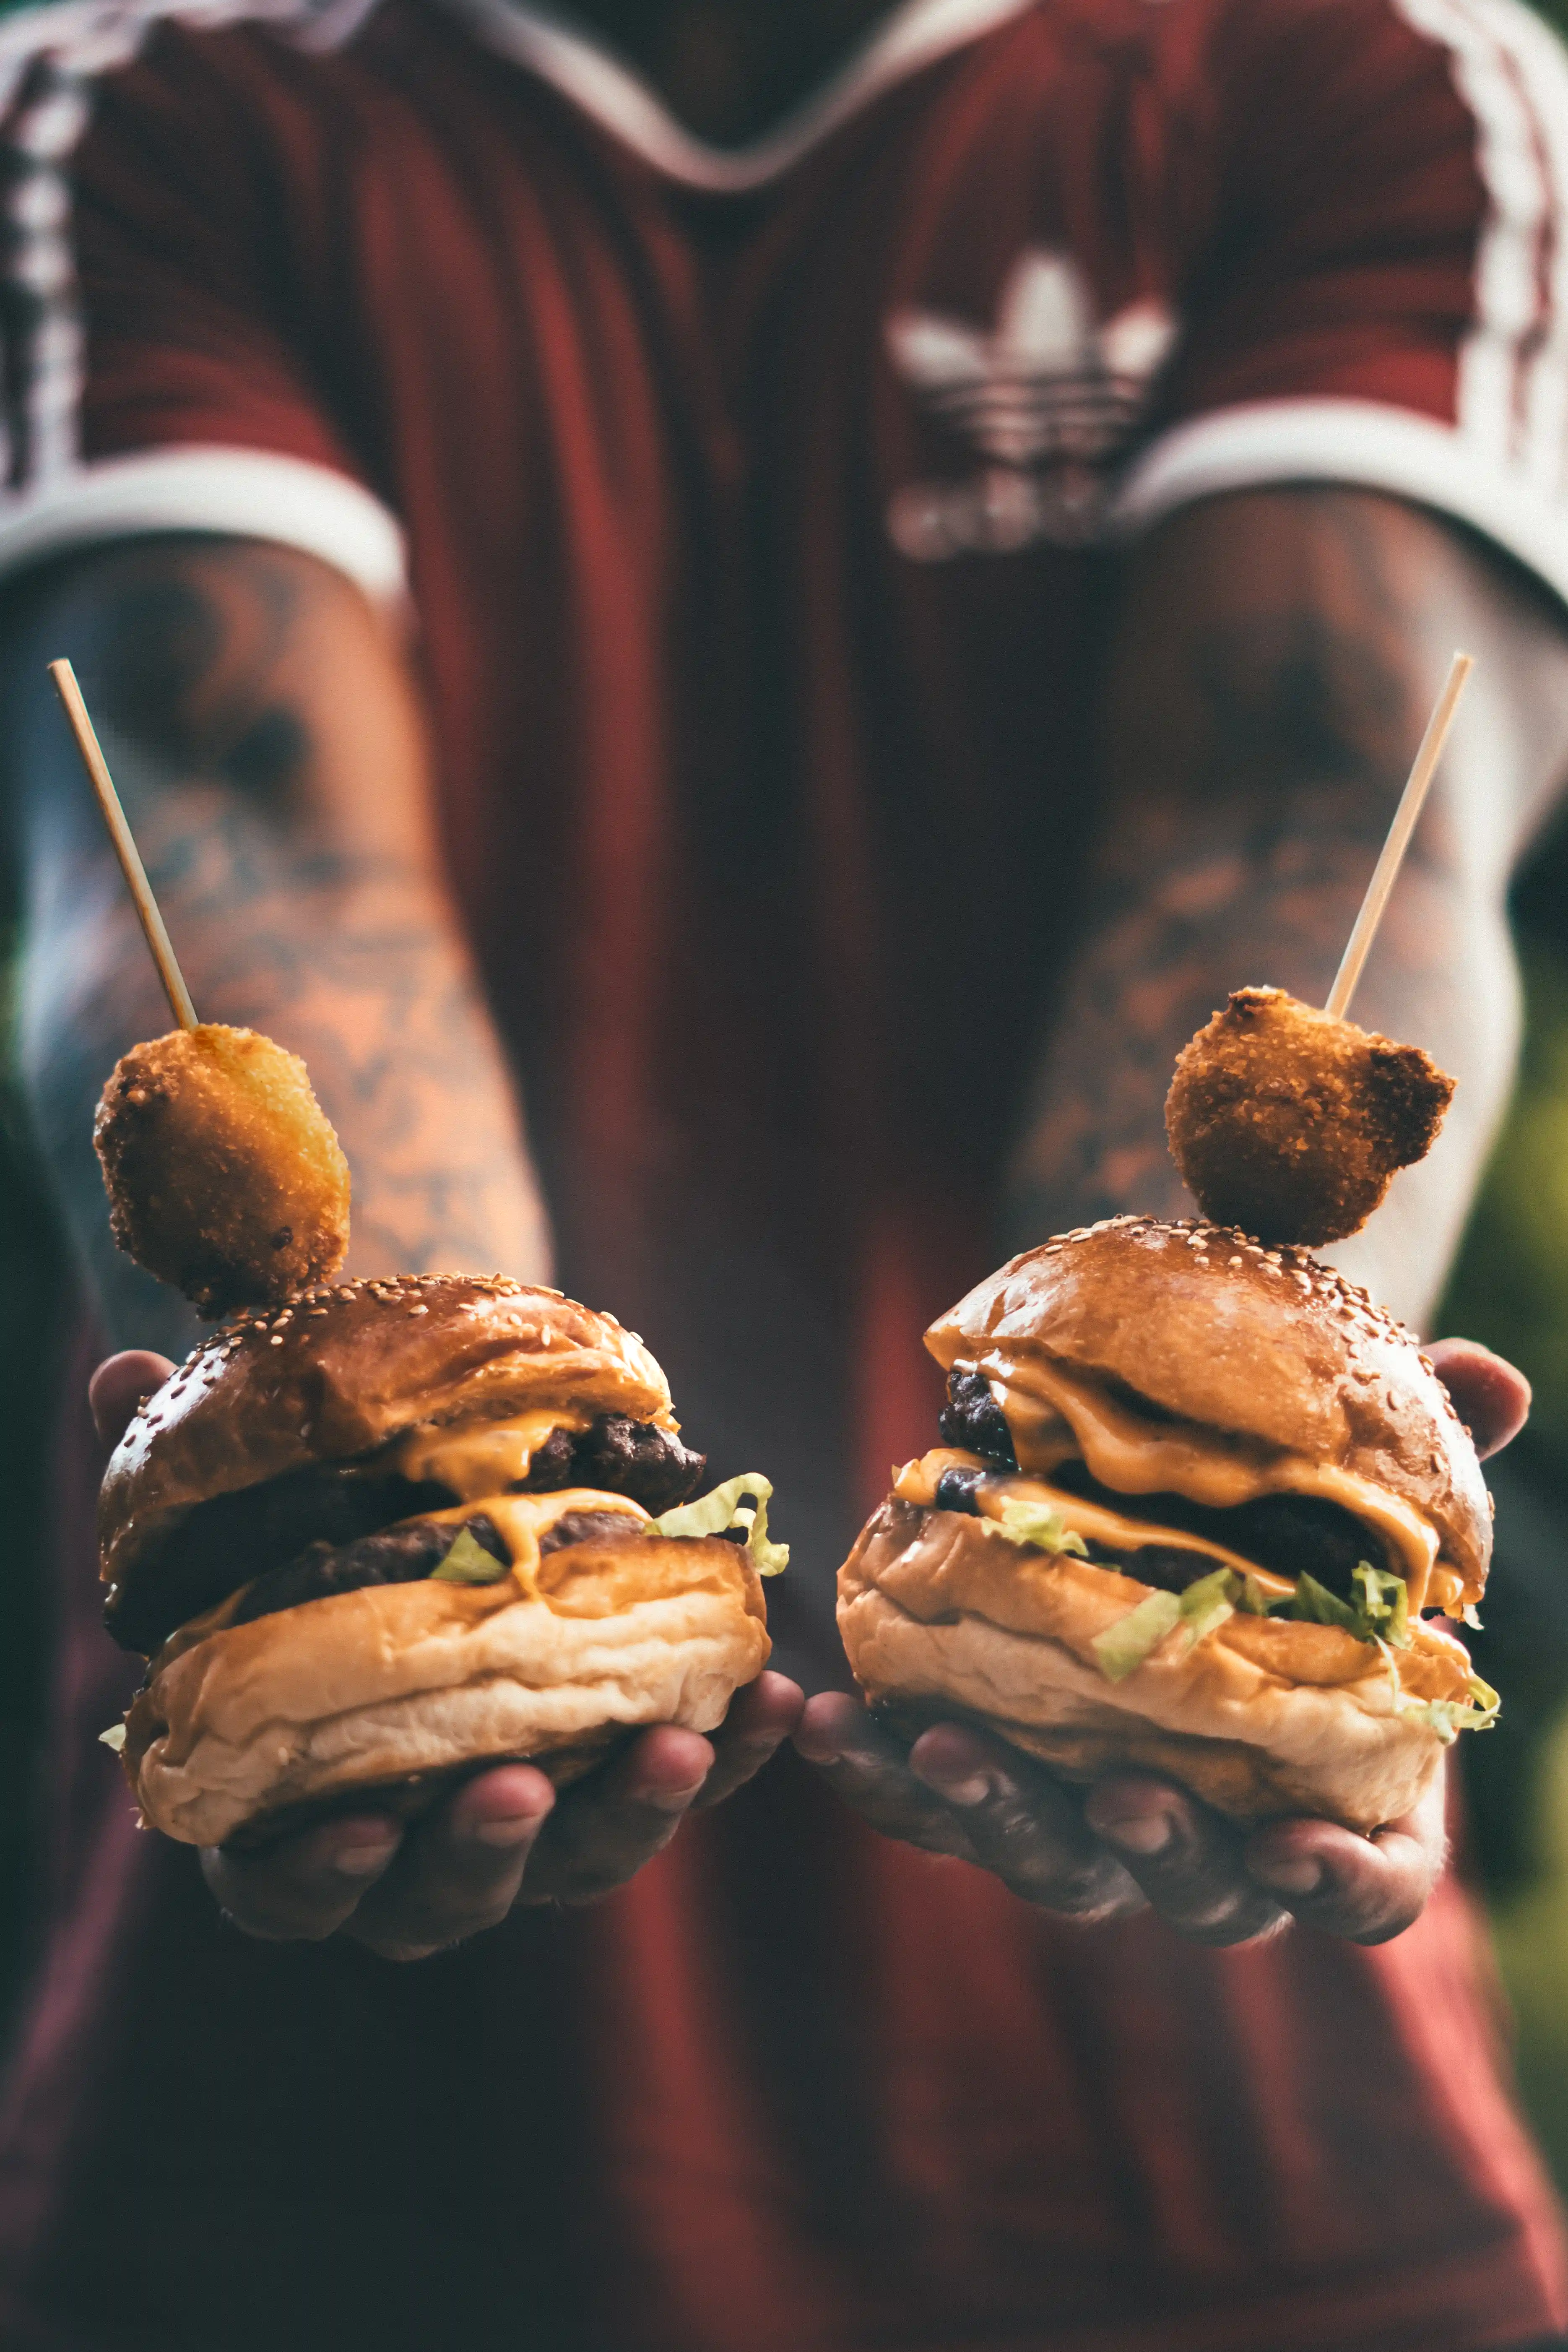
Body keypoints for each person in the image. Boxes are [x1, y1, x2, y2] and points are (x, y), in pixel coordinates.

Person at [1, 0, 1568, 2342]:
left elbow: (1311, 785)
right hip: (308, 2152)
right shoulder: (145, 84)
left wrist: (1205, 1494)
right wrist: (448, 1546)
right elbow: (224, 800)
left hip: (1223, 2141)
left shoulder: (1369, 62)